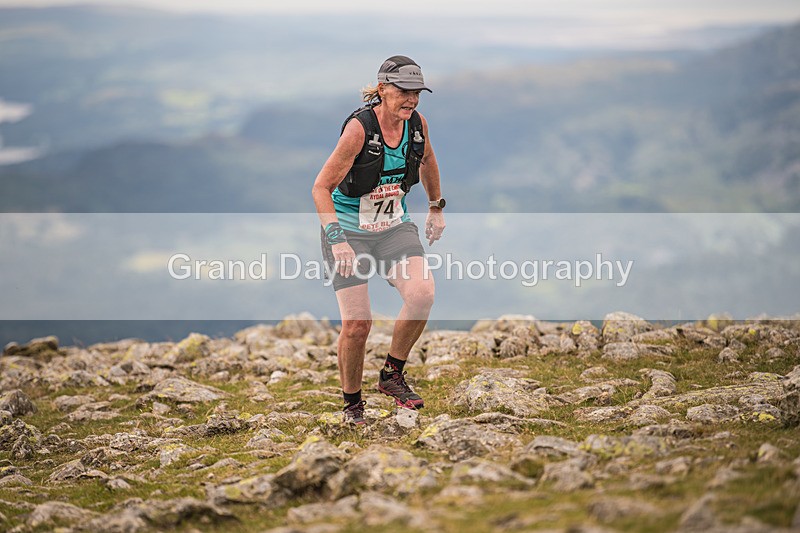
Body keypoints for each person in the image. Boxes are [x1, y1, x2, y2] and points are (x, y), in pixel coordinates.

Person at [311, 55, 446, 425]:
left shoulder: (416, 125)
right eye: (404, 91)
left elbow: (428, 160)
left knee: (422, 294)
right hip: (348, 232)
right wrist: (337, 239)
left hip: (393, 228)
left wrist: (435, 206)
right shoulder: (359, 130)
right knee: (358, 325)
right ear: (383, 89)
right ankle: (353, 405)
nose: (412, 99)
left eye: (417, 93)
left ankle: (392, 374)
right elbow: (321, 188)